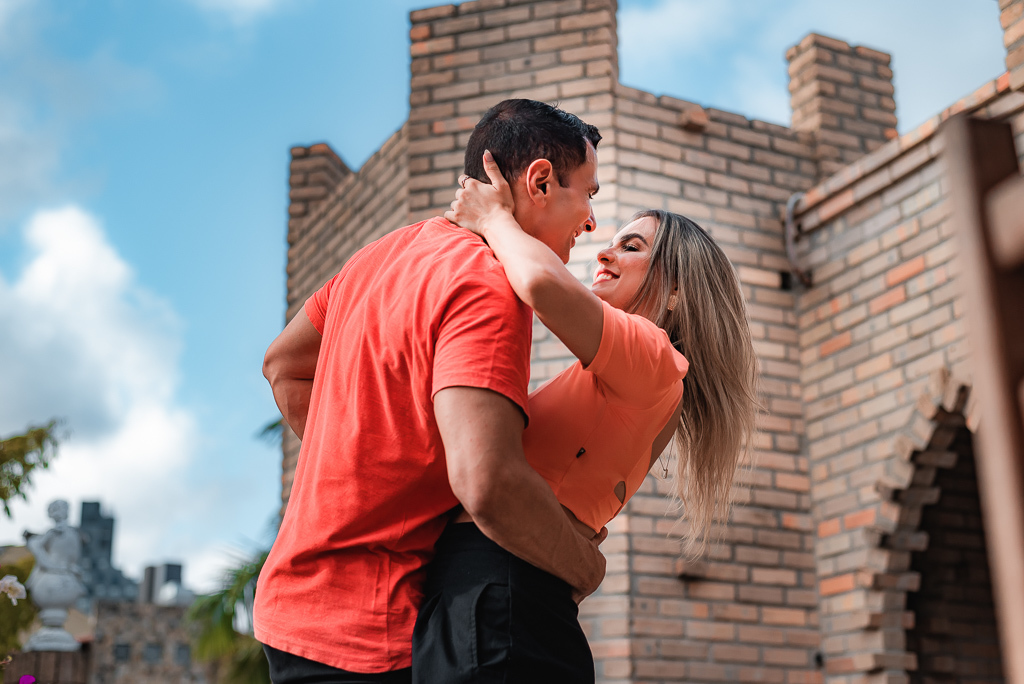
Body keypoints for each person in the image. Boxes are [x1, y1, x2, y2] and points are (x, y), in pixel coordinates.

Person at [254, 99, 608, 684]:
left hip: (290, 611)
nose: (591, 220)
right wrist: (584, 567)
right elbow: (488, 483)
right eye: (588, 193)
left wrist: (368, 452)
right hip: (368, 633)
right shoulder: (486, 283)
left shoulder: (384, 253)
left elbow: (283, 366)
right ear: (541, 181)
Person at [411, 152, 759, 683]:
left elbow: (542, 285)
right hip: (509, 596)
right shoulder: (633, 381)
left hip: (498, 592)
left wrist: (493, 219)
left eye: (632, 246)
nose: (604, 250)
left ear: (676, 292)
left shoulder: (656, 358)